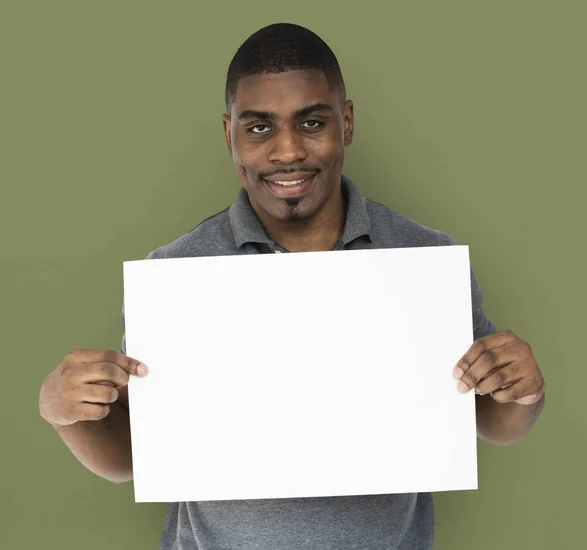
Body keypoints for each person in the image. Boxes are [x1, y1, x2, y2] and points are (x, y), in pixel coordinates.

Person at [38, 22, 546, 550]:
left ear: (345, 122)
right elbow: (131, 459)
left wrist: (525, 389)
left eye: (311, 122)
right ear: (229, 133)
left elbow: (497, 422)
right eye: (259, 128)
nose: (287, 152)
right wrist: (64, 414)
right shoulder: (175, 272)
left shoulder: (426, 259)